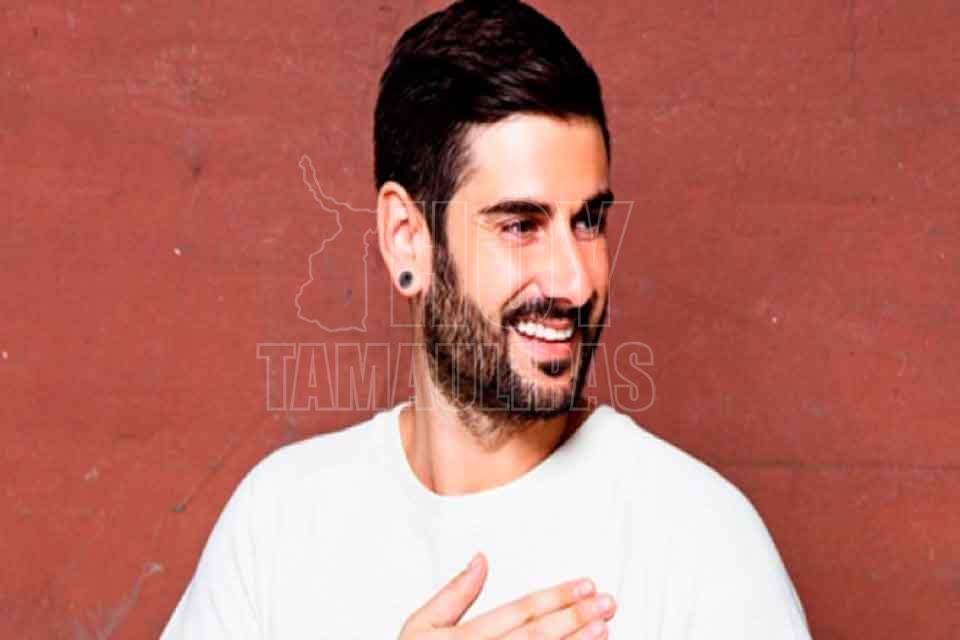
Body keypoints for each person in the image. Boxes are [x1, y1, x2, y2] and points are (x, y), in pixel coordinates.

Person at [161, 1, 813, 638]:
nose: (575, 281)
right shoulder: (278, 523)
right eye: (521, 225)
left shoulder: (701, 544)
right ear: (407, 240)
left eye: (588, 221)